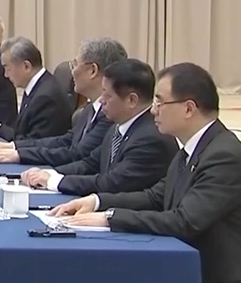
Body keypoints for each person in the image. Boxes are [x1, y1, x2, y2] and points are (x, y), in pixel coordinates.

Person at [51, 62, 241, 283]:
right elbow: (155, 197)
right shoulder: (192, 149)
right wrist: (96, 201)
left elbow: (184, 221)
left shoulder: (223, 157)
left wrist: (110, 218)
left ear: (188, 108)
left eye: (160, 102)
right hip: (195, 271)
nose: (153, 110)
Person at [21, 58, 176, 196]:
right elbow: (90, 163)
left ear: (131, 100)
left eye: (107, 95)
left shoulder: (151, 138)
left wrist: (54, 181)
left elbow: (112, 183)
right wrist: (49, 173)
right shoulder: (118, 126)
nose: (101, 100)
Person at [0, 37, 126, 166]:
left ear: (92, 70)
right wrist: (15, 147)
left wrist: (21, 156)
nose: (72, 72)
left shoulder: (110, 114)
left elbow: (77, 154)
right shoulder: (90, 107)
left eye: (75, 64)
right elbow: (66, 140)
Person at [0, 37, 73, 141]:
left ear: (26, 66)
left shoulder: (45, 98)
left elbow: (32, 143)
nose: (6, 75)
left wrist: (0, 129)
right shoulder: (37, 86)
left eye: (7, 69)